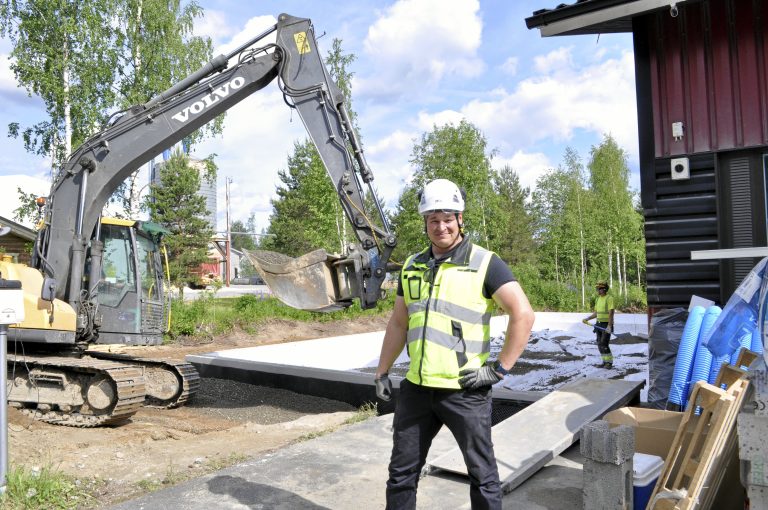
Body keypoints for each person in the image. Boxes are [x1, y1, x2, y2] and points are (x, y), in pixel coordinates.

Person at [374, 178, 535, 510]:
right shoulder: (412, 265)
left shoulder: (485, 263)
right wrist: (382, 371)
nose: (441, 227)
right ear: (425, 223)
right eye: (433, 219)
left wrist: (499, 369)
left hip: (465, 390)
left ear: (460, 219)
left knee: (482, 476)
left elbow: (523, 314)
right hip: (417, 390)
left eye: (447, 218)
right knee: (401, 474)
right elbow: (399, 323)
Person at [582, 281, 615, 369]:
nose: (598, 290)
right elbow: (596, 313)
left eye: (599, 288)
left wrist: (609, 326)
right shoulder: (598, 299)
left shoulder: (609, 298)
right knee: (599, 344)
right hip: (599, 324)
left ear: (604, 289)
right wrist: (587, 318)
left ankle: (609, 363)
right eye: (597, 288)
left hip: (606, 325)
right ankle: (604, 362)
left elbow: (611, 313)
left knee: (604, 344)